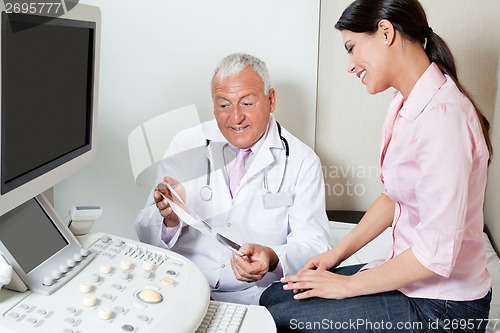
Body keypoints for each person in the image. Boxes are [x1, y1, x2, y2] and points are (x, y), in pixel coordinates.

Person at [260, 0, 493, 331]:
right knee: (275, 296)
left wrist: (345, 287)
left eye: (352, 48)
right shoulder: (404, 102)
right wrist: (334, 257)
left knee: (279, 318)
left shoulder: (443, 119)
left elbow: (434, 255)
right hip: (412, 282)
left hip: (443, 307)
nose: (350, 65)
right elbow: (394, 197)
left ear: (385, 32)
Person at [134, 53, 331, 305]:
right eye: (224, 105)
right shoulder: (186, 143)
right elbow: (143, 229)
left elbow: (315, 245)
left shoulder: (302, 161)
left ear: (271, 100)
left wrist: (272, 256)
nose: (235, 117)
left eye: (247, 103)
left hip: (257, 296)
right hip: (181, 286)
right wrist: (170, 220)